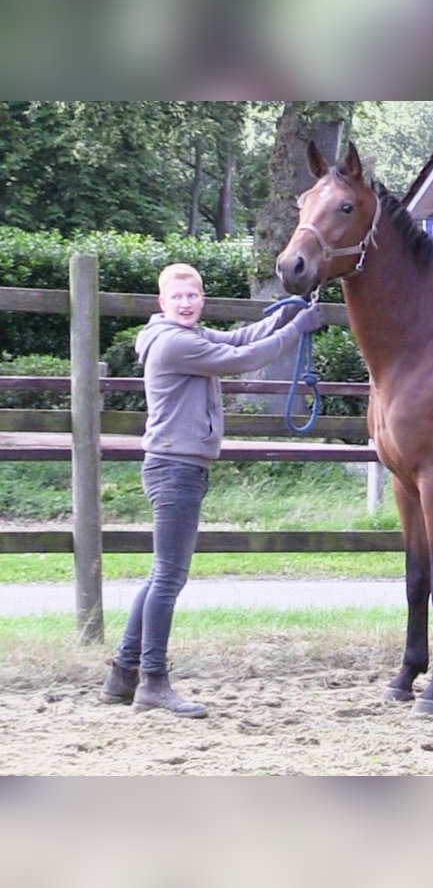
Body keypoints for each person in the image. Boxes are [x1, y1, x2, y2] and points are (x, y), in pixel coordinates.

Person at [100, 263, 323, 718]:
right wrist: (297, 328)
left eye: (193, 296)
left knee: (161, 575)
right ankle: (153, 682)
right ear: (162, 303)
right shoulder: (176, 343)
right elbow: (242, 361)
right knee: (168, 578)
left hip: (179, 465)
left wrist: (280, 317)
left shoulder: (186, 336)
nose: (186, 303)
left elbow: (237, 340)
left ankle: (123, 673)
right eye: (177, 297)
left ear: (201, 299)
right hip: (175, 467)